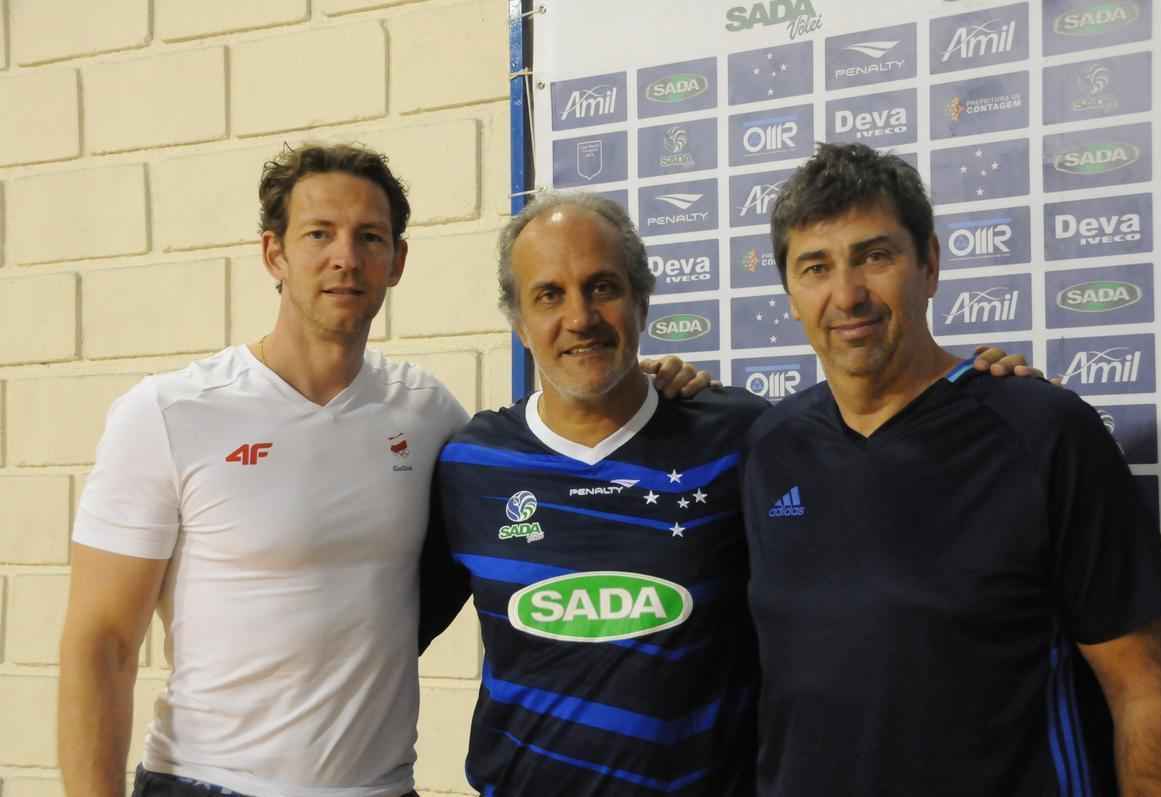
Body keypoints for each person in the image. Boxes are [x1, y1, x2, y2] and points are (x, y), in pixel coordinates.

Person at [56, 142, 706, 797]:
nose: (345, 257)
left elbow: (549, 440)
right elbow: (101, 643)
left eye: (369, 236)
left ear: (397, 261)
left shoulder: (428, 415)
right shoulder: (169, 412)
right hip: (206, 780)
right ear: (273, 253)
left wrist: (638, 384)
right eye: (319, 234)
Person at [419, 191, 1040, 796]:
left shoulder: (745, 437)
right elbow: (381, 632)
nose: (580, 317)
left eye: (603, 287)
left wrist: (979, 398)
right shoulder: (471, 464)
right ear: (520, 323)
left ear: (641, 301)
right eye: (549, 295)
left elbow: (890, 492)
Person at [741, 142, 1161, 796]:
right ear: (789, 292)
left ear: (929, 263)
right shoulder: (767, 447)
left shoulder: (1043, 431)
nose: (847, 294)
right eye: (816, 266)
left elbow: (1148, 690)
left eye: (875, 255)